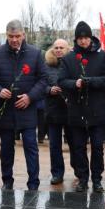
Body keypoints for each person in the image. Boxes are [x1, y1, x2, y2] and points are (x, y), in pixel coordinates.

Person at [0, 19, 47, 190]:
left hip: (27, 110)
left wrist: (30, 97)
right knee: (6, 149)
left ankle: (33, 183)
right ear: (6, 35)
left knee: (31, 147)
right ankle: (7, 181)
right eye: (11, 36)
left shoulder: (35, 54)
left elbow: (43, 80)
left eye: (18, 36)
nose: (14, 39)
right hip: (5, 111)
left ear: (23, 35)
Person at [58, 21, 105, 192]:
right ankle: (83, 178)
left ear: (91, 38)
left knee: (97, 147)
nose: (83, 41)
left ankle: (97, 179)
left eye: (86, 38)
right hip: (77, 110)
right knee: (78, 147)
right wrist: (74, 83)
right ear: (76, 40)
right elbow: (61, 81)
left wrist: (90, 82)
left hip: (97, 110)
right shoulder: (69, 58)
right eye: (80, 38)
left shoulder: (103, 56)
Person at [44, 39, 74, 185]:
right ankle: (57, 173)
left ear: (68, 49)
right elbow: (40, 84)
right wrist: (49, 90)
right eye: (56, 47)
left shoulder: (73, 63)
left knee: (75, 144)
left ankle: (79, 171)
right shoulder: (47, 65)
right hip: (53, 110)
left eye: (62, 47)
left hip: (71, 110)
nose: (59, 50)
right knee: (54, 145)